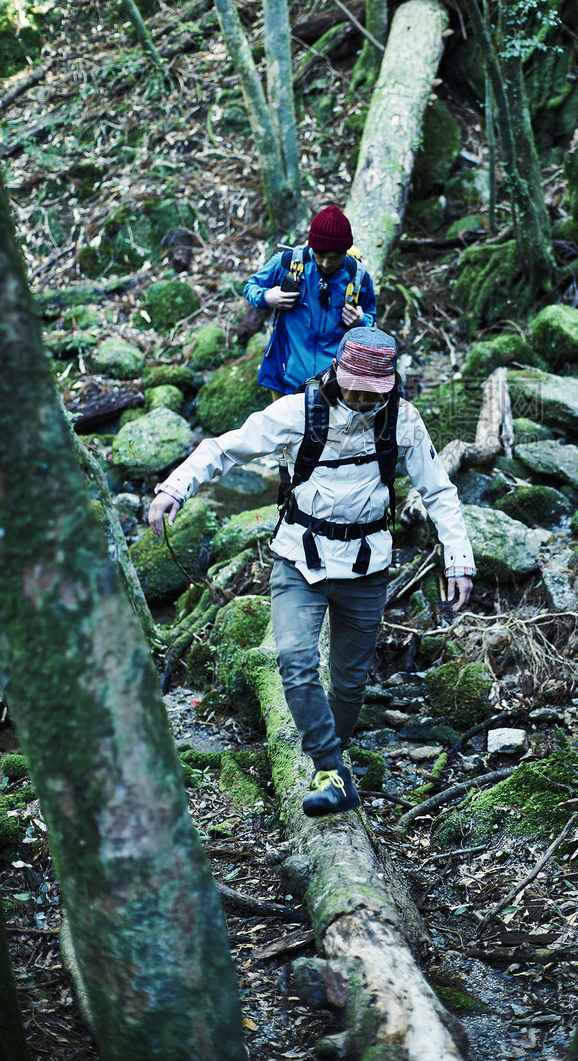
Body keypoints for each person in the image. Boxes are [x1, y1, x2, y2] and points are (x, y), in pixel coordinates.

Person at [148, 326, 475, 818]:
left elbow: (439, 491)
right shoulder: (298, 411)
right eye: (355, 386)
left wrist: (459, 558)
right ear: (338, 374)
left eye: (374, 390)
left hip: (367, 567)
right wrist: (175, 488)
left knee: (348, 684)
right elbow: (223, 448)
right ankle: (329, 769)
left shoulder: (402, 421)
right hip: (299, 559)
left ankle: (333, 758)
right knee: (296, 660)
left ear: (390, 384)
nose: (363, 397)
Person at [244, 203, 378, 396]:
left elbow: (372, 322)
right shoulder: (286, 263)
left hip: (333, 385)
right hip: (286, 379)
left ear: (345, 250)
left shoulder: (359, 278)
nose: (326, 263)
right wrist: (267, 296)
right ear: (311, 245)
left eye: (335, 257)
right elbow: (250, 287)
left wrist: (361, 321)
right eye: (320, 254)